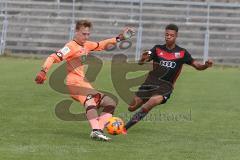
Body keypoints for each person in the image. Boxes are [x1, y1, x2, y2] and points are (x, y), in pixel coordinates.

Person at [35, 20, 135, 141]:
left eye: (88, 34)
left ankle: (98, 130)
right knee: (90, 100)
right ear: (76, 32)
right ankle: (96, 130)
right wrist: (43, 71)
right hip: (73, 83)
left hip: (83, 83)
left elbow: (101, 45)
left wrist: (120, 37)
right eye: (83, 34)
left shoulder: (86, 45)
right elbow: (53, 57)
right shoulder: (70, 47)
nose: (86, 37)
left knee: (110, 103)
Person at [123, 24, 213, 133]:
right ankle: (145, 99)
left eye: (171, 35)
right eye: (167, 34)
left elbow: (197, 66)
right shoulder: (157, 49)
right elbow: (142, 63)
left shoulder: (182, 53)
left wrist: (205, 65)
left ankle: (124, 128)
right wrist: (142, 59)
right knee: (131, 107)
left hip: (166, 86)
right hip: (151, 81)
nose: (168, 37)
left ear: (176, 36)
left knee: (151, 102)